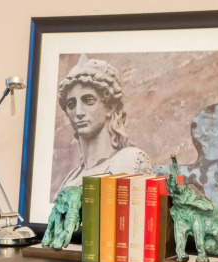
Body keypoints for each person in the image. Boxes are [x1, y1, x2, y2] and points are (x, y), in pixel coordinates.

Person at [54, 55, 151, 195]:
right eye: (71, 104)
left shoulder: (130, 160)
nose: (78, 112)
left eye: (89, 100)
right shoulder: (71, 178)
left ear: (110, 106)